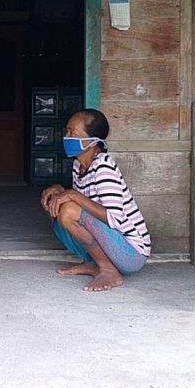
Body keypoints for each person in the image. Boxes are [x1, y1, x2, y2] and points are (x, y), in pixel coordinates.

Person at [40, 109, 151, 291]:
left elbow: (114, 218)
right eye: (67, 132)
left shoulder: (103, 167)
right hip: (113, 247)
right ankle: (93, 263)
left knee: (68, 209)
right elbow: (81, 205)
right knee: (60, 205)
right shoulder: (79, 165)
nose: (66, 137)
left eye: (72, 133)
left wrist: (73, 195)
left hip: (131, 254)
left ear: (92, 143)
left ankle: (108, 270)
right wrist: (60, 191)